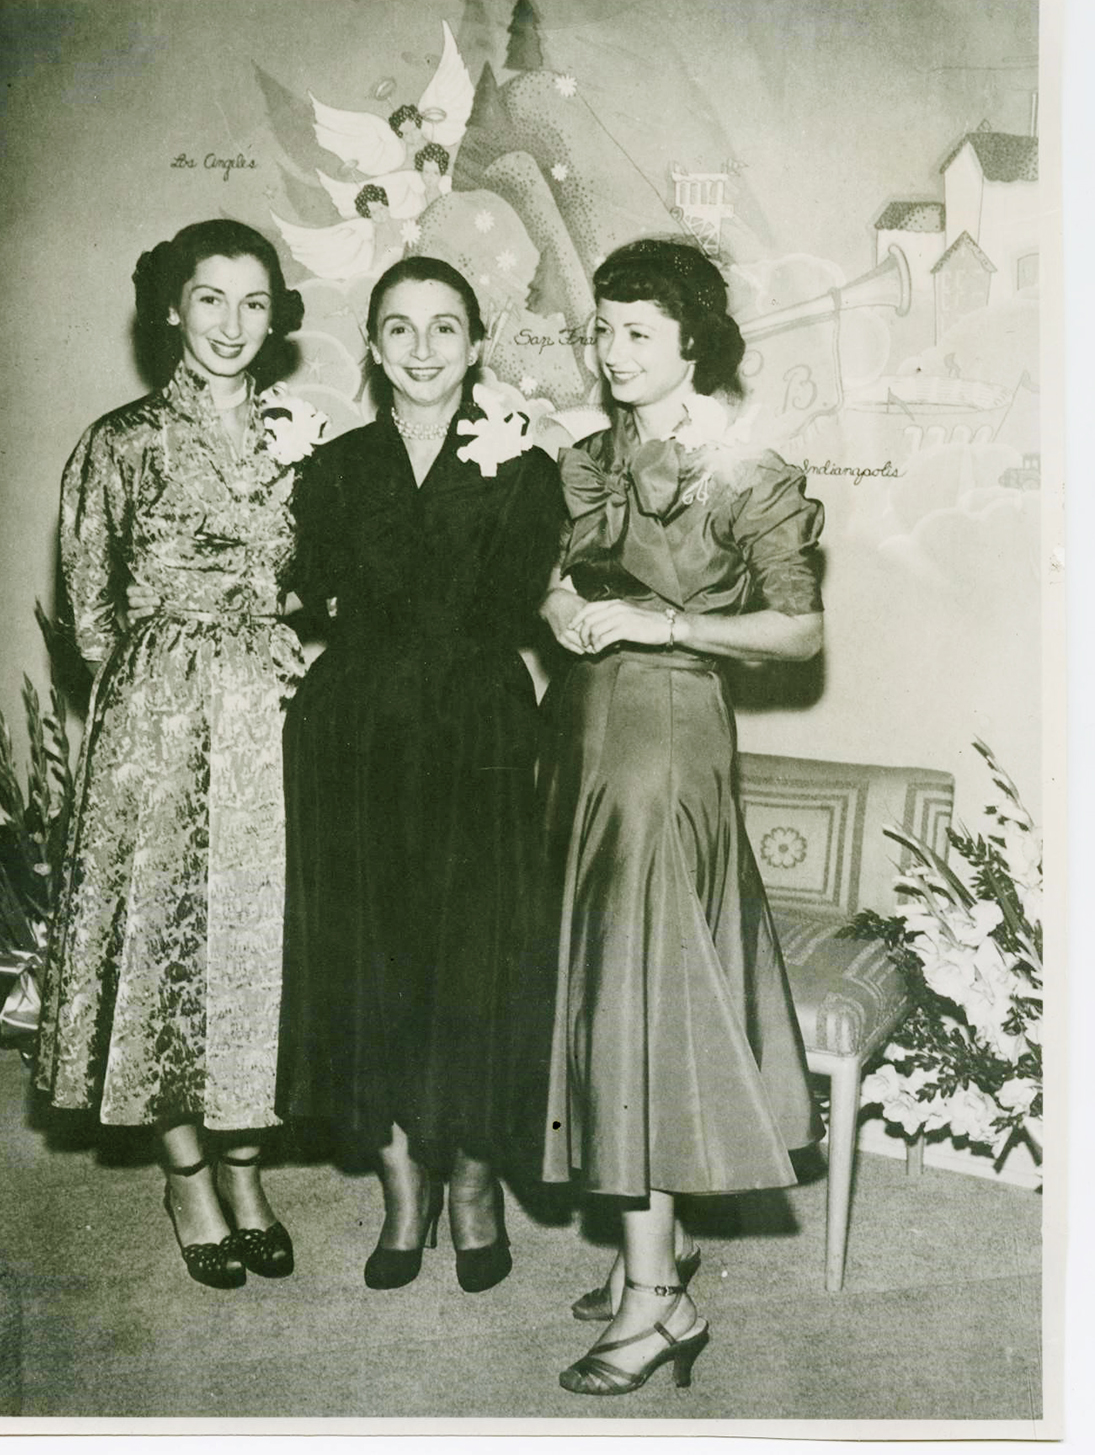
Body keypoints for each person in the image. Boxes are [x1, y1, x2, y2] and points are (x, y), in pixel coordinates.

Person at [538, 237, 825, 1394]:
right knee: (614, 989)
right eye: (603, 330)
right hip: (586, 739)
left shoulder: (749, 466)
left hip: (668, 740)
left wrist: (660, 628)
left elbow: (798, 632)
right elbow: (565, 574)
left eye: (638, 334)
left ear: (692, 341)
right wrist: (560, 603)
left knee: (641, 1003)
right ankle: (648, 1248)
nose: (612, 353)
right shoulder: (589, 456)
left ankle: (659, 1302)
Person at [35, 219, 324, 1290]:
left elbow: (331, 576)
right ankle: (185, 1170)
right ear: (171, 305)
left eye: (254, 304)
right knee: (165, 939)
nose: (232, 326)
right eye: (211, 300)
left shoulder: (302, 434)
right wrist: (155, 689)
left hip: (274, 716)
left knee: (258, 944)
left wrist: (285, 649)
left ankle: (247, 1164)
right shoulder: (118, 441)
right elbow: (87, 609)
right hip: (156, 721)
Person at [274, 256, 564, 1293]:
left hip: (475, 734)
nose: (424, 348)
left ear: (479, 343)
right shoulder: (336, 466)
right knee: (371, 962)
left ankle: (477, 1184)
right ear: (375, 345)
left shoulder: (527, 464)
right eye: (400, 328)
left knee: (479, 960)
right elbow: (315, 591)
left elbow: (511, 599)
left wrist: (390, 608)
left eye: (447, 328)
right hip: (356, 736)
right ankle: (404, 1188)